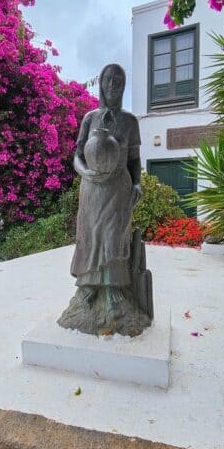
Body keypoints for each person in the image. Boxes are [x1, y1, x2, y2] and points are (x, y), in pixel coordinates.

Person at [70, 63, 142, 312]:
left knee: (114, 235)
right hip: (92, 188)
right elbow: (77, 155)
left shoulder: (130, 121)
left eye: (119, 80)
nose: (113, 84)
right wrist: (85, 172)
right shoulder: (90, 118)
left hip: (118, 188)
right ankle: (88, 284)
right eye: (109, 79)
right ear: (101, 83)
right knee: (89, 234)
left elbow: (134, 158)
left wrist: (138, 183)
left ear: (123, 85)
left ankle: (113, 285)